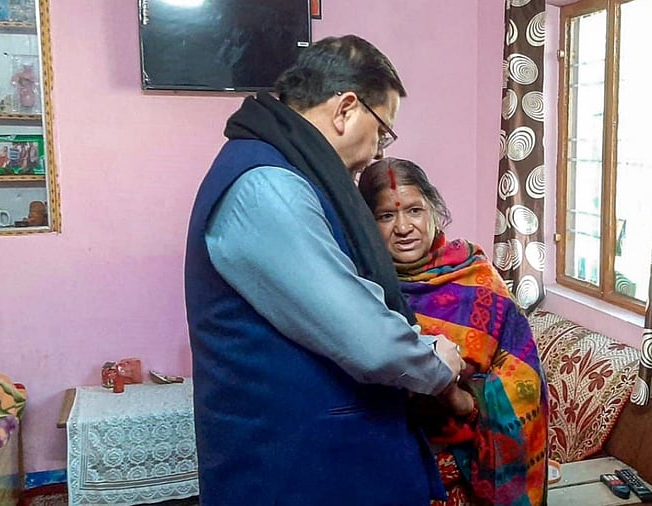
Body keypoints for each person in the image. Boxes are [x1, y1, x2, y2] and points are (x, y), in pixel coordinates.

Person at [184, 36, 466, 506]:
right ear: (346, 109)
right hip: (294, 469)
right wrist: (438, 365)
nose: (378, 152)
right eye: (382, 131)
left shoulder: (287, 171)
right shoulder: (268, 187)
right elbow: (368, 342)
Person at [358, 158, 549, 506]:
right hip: (390, 468)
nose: (403, 227)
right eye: (386, 216)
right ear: (366, 224)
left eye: (414, 210)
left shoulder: (477, 277)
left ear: (433, 208)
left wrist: (462, 400)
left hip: (474, 471)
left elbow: (524, 375)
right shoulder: (359, 287)